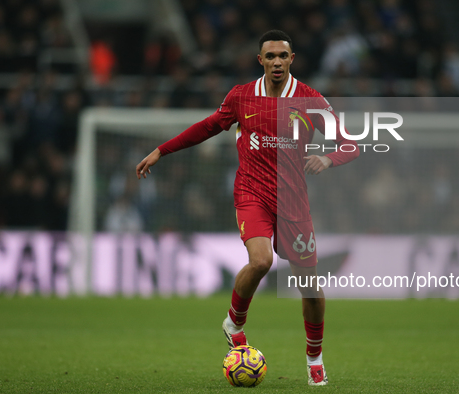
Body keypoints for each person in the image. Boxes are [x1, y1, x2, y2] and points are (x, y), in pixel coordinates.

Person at [136, 30, 359, 386]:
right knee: (261, 261)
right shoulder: (242, 96)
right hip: (252, 193)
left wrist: (328, 159)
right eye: (269, 56)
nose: (276, 62)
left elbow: (351, 144)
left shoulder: (310, 100)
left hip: (293, 202)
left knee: (311, 288)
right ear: (260, 61)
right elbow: (208, 127)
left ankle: (314, 358)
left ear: (291, 59)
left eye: (282, 56)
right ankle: (234, 323)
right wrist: (162, 149)